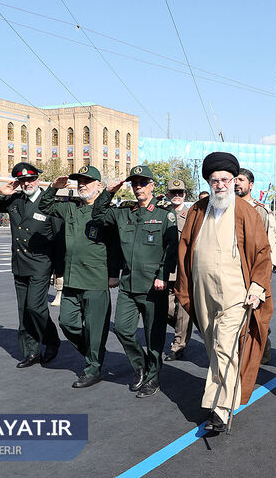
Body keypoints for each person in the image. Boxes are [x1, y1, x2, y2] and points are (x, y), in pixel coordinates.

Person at [175, 152, 273, 433]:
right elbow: (184, 248)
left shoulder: (246, 211)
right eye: (214, 180)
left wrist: (257, 287)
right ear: (208, 181)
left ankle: (220, 409)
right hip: (202, 292)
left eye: (225, 179)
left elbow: (262, 252)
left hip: (235, 293)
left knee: (225, 346)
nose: (220, 184)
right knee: (212, 346)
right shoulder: (197, 210)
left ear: (233, 180)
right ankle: (226, 392)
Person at [92, 165, 178, 398]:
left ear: (152, 185)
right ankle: (140, 366)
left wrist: (163, 276)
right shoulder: (124, 213)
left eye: (142, 183)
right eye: (134, 183)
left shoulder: (164, 215)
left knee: (154, 336)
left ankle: (153, 377)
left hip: (153, 286)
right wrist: (108, 192)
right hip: (129, 285)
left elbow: (171, 249)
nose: (138, 187)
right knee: (122, 329)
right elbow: (98, 214)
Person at [39, 166, 120, 388]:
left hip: (96, 279)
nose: (82, 184)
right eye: (79, 181)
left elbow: (115, 247)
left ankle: (93, 368)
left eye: (87, 181)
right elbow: (44, 206)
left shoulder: (107, 212)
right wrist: (53, 188)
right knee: (67, 322)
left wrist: (114, 274)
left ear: (99, 186)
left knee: (95, 327)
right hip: (73, 277)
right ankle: (93, 352)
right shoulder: (71, 209)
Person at [0, 163, 62, 368]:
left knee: (35, 307)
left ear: (38, 179)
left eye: (30, 179)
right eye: (22, 181)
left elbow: (59, 238)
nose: (26, 183)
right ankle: (31, 352)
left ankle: (51, 340)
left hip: (41, 263)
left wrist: (59, 269)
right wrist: (2, 193)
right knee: (24, 311)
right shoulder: (15, 200)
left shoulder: (50, 202)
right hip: (20, 263)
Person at [235, 168, 276, 364]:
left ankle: (263, 342)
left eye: (241, 180)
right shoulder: (227, 207)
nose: (237, 183)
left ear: (250, 185)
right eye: (235, 180)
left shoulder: (260, 210)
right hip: (235, 270)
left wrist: (265, 272)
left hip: (256, 269)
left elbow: (271, 242)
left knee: (257, 311)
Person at [164, 178, 193, 361]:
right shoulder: (161, 213)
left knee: (183, 308)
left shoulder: (191, 215)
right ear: (167, 194)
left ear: (184, 195)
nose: (176, 195)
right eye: (173, 193)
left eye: (180, 193)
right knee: (166, 308)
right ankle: (183, 328)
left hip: (184, 269)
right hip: (165, 268)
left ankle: (178, 345)